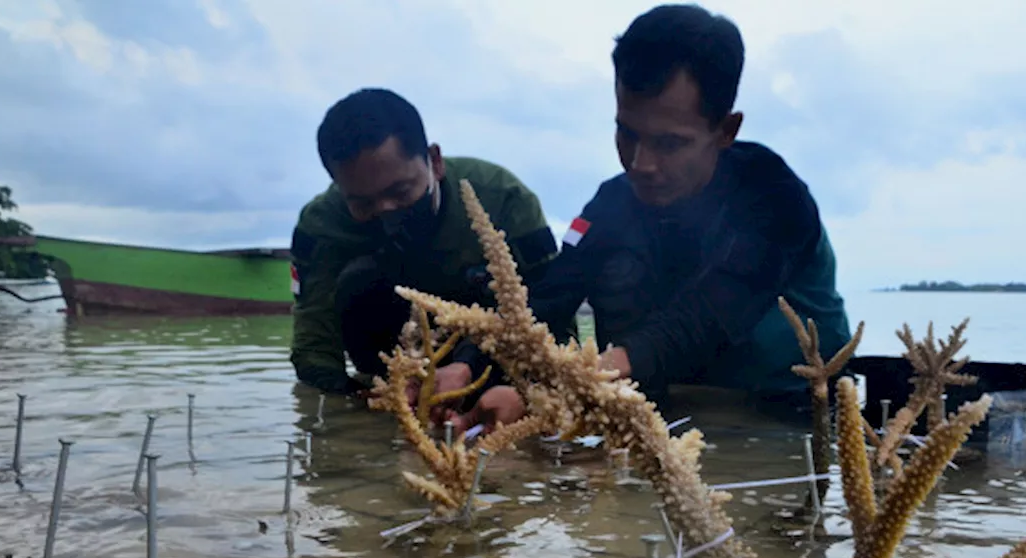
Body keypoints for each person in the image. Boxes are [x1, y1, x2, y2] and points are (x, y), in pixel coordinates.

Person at [436, 3, 852, 433]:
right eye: (626, 133)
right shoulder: (612, 203)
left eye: (669, 143)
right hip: (670, 410)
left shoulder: (776, 198)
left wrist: (553, 394)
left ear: (726, 130)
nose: (640, 164)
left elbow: (705, 317)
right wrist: (468, 367)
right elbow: (548, 299)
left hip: (790, 417)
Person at [289, 88, 559, 397]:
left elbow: (550, 315)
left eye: (401, 192)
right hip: (387, 361)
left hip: (490, 357)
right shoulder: (321, 226)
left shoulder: (505, 200)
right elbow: (314, 342)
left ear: (435, 161)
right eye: (364, 205)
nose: (386, 210)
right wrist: (348, 415)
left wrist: (490, 373)